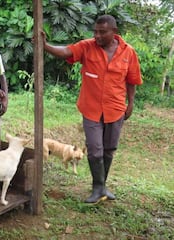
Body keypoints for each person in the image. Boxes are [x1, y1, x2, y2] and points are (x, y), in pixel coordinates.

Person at [41, 15, 142, 204]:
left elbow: (132, 80)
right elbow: (66, 51)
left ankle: (102, 186)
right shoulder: (87, 46)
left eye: (102, 32)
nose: (97, 35)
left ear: (114, 32)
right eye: (95, 31)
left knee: (109, 149)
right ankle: (97, 188)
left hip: (115, 108)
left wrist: (131, 104)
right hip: (91, 109)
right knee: (95, 150)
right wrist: (46, 46)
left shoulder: (129, 53)